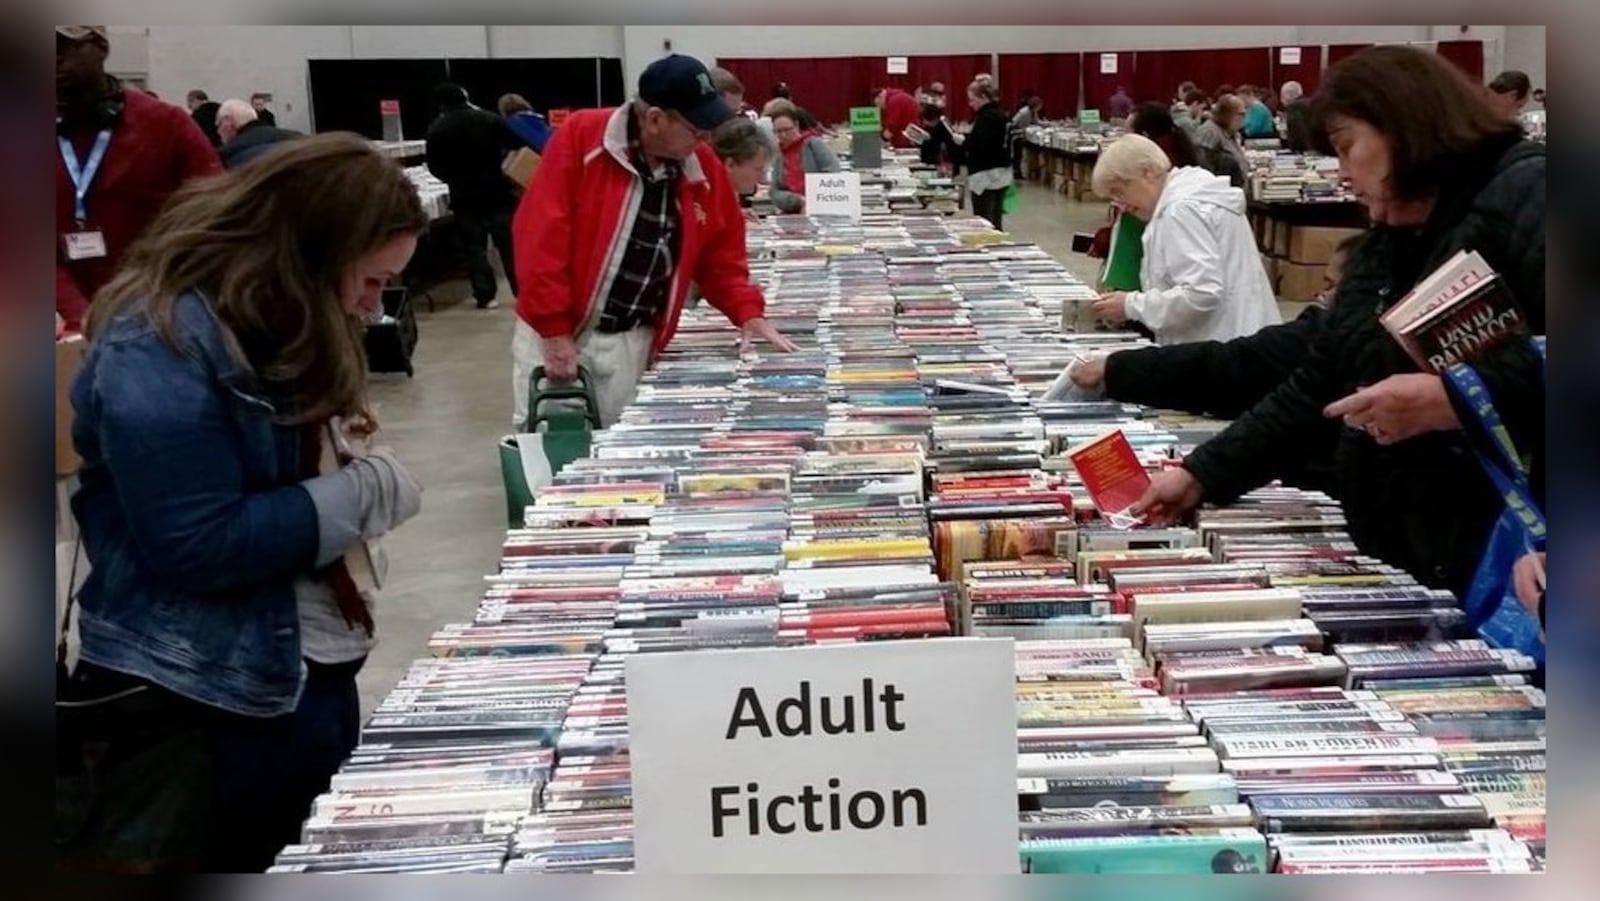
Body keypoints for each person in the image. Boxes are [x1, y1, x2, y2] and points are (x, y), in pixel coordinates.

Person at [58, 134, 427, 872]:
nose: (372, 304)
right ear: (309, 251)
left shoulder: (277, 314)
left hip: (296, 667)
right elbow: (198, 542)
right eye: (369, 279)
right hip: (201, 693)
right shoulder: (158, 340)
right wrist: (360, 492)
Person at [1132, 45, 1545, 600]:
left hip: (1515, 556)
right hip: (1420, 557)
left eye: (1348, 148)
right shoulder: (1393, 235)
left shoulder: (1532, 196)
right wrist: (1202, 473)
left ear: (1404, 125)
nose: (1343, 173)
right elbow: (1320, 379)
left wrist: (1459, 397)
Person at [510, 54, 797, 429]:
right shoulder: (583, 139)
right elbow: (540, 239)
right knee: (556, 446)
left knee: (621, 451)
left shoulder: (702, 167)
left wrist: (747, 311)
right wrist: (554, 331)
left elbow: (721, 256)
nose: (705, 140)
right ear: (656, 119)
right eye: (696, 130)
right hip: (563, 331)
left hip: (635, 338)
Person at [1067, 232, 1364, 493]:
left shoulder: (1324, 339)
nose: (1321, 296)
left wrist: (1116, 366)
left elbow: (1228, 366)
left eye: (1331, 286)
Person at [56, 26, 221, 332]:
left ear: (101, 47)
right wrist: (79, 313)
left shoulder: (167, 125)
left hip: (169, 315)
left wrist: (168, 299)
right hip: (82, 326)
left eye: (62, 46)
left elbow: (218, 220)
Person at [1088, 133, 1280, 345]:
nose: (1121, 206)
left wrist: (1130, 305)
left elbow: (1201, 293)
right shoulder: (1196, 196)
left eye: (1120, 191)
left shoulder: (1180, 211)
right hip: (1240, 338)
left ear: (1146, 172)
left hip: (1220, 347)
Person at [425, 82, 521, 310]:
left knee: (474, 248)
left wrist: (452, 178)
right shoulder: (489, 119)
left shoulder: (437, 127)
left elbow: (434, 166)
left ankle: (485, 296)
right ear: (465, 96)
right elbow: (515, 145)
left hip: (464, 195)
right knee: (509, 246)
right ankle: (523, 292)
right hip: (497, 192)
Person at [1099, 103, 1203, 293]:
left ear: (1144, 136)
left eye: (1127, 134)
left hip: (1142, 279)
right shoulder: (1180, 161)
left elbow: (1198, 290)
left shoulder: (1155, 184)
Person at [768, 110, 842, 214]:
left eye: (787, 130)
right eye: (778, 131)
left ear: (796, 125)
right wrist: (799, 200)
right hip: (791, 211)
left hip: (821, 209)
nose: (783, 135)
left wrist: (813, 200)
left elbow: (833, 174)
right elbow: (774, 192)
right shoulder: (779, 155)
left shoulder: (814, 144)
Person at [963, 79, 1012, 230]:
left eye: (973, 99)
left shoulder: (987, 117)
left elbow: (982, 145)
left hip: (985, 174)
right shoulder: (1000, 113)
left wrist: (964, 143)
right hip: (1001, 172)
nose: (971, 104)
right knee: (996, 217)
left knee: (984, 219)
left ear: (983, 96)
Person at [216, 97, 301, 169]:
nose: (218, 131)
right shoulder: (299, 140)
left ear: (228, 121)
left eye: (218, 124)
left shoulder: (228, 158)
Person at [711, 116, 776, 202]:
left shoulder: (727, 197)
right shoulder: (708, 200)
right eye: (758, 169)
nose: (761, 178)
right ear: (730, 165)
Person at [1193, 93, 1249, 188]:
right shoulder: (1209, 131)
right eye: (1242, 114)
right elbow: (1202, 165)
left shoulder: (1229, 131)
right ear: (1227, 114)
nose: (1244, 118)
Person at [918, 102, 962, 173]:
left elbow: (945, 146)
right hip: (932, 163)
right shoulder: (934, 126)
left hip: (941, 164)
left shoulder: (943, 129)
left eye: (925, 120)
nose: (924, 122)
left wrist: (929, 139)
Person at [1010, 90, 1042, 178]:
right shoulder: (1024, 112)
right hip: (1017, 135)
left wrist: (1049, 124)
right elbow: (1013, 122)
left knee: (1020, 156)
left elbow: (1037, 122)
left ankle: (1019, 172)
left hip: (1023, 135)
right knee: (1017, 155)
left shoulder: (1033, 112)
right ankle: (1016, 172)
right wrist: (1021, 129)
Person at [1280, 80, 1314, 152]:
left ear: (1287, 95)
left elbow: (1296, 135)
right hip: (1316, 149)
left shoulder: (1293, 108)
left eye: (1282, 96)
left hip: (1303, 150)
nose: (1281, 100)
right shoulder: (1310, 104)